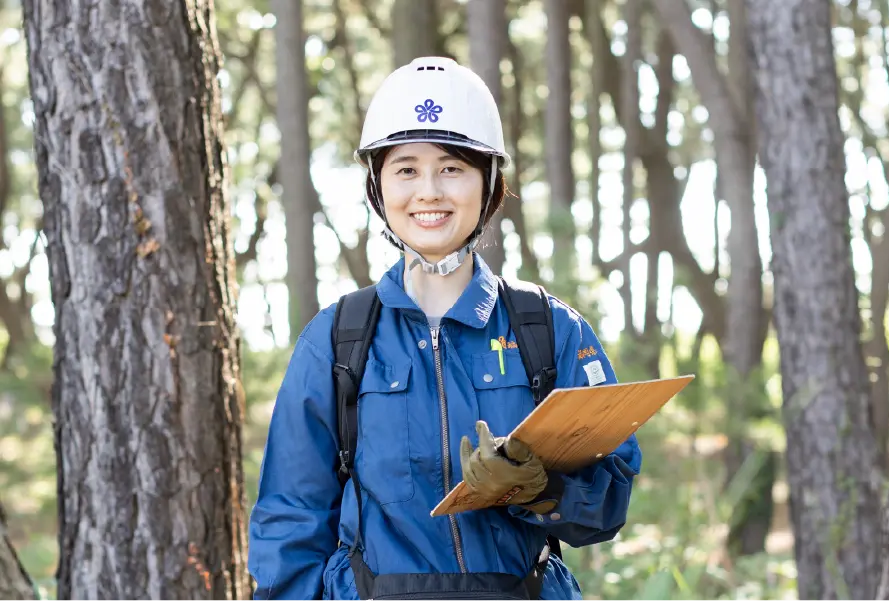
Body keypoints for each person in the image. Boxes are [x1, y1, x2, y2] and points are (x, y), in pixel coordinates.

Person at [248, 56, 641, 601]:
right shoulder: (337, 340)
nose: (429, 191)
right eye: (405, 169)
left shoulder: (549, 330)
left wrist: (540, 489)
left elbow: (606, 511)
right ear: (377, 187)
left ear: (489, 182)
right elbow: (291, 519)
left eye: (452, 167)